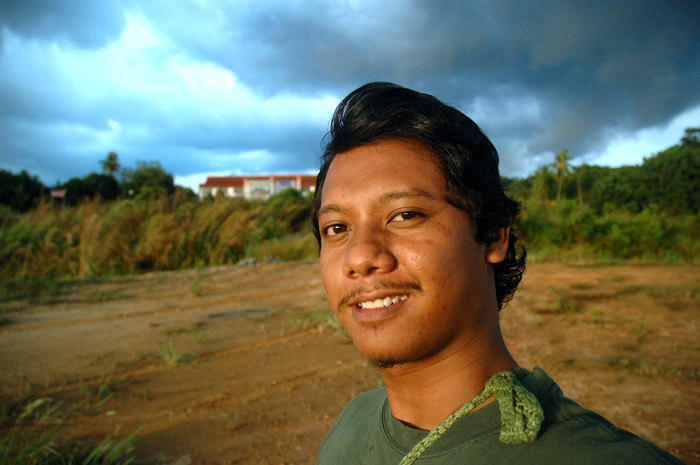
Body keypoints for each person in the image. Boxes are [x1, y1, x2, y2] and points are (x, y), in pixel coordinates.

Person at [311, 82, 684, 464]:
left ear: (493, 234)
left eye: (406, 215)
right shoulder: (350, 429)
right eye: (336, 228)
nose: (360, 257)